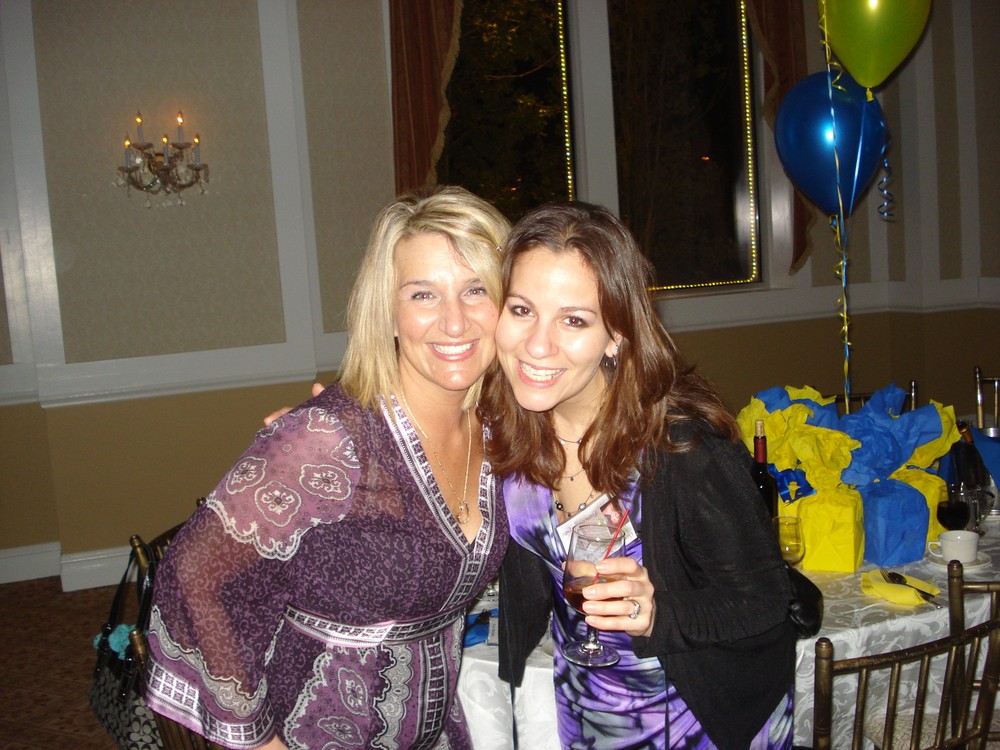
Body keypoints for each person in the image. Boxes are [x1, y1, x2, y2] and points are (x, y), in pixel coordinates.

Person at [143, 186, 512, 749]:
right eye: (423, 294)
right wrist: (257, 741)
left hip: (435, 728)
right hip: (315, 730)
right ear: (387, 311)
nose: (455, 322)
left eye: (476, 289)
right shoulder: (329, 437)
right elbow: (195, 574)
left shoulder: (498, 428)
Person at [481, 201, 796, 749]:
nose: (537, 344)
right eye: (522, 310)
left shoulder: (682, 449)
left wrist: (657, 613)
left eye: (574, 320)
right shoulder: (505, 430)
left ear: (617, 335)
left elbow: (765, 598)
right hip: (587, 707)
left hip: (696, 718)